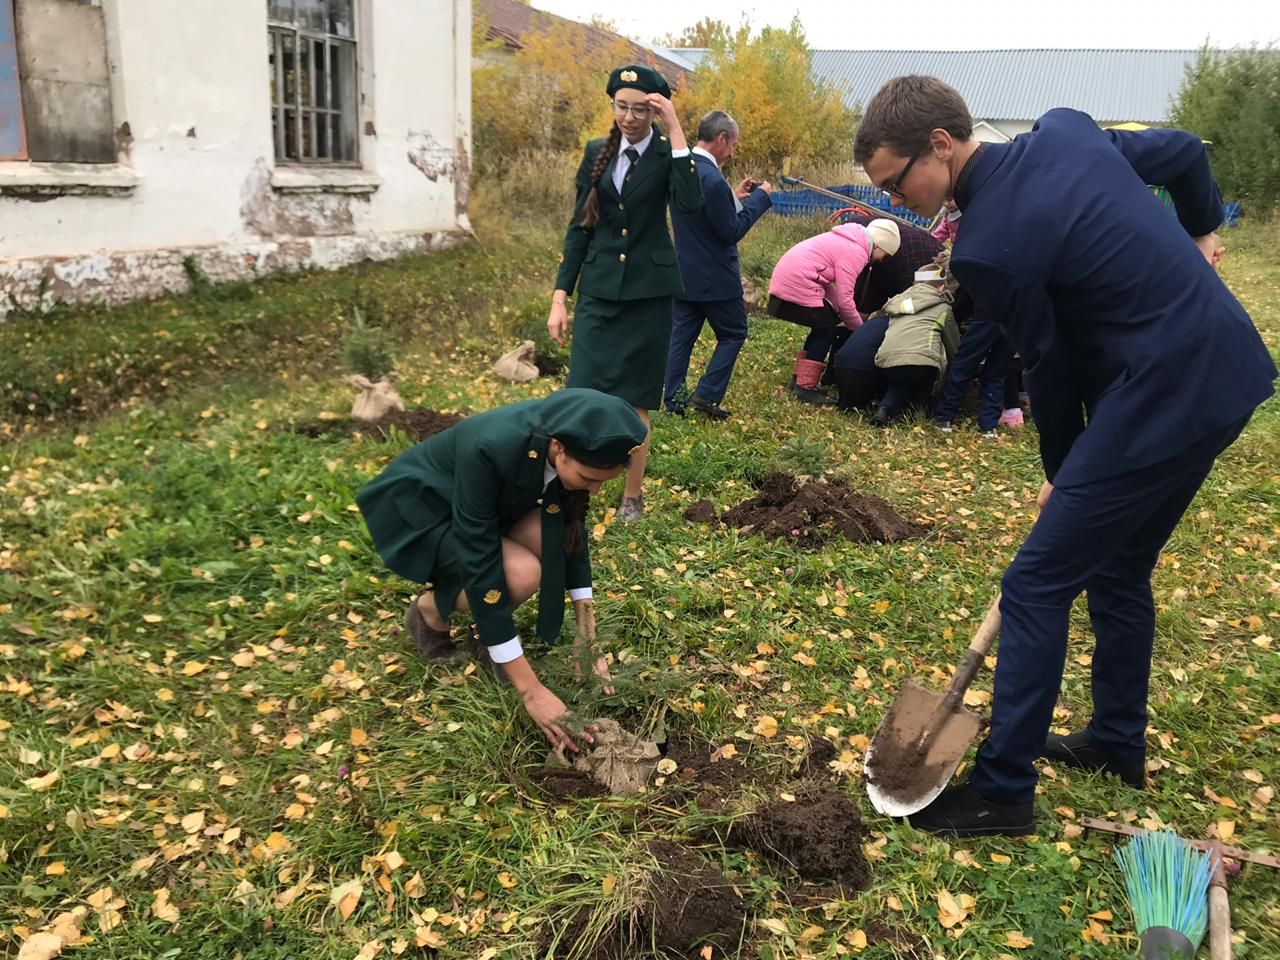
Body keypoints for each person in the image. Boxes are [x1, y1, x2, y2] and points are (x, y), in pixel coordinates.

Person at [854, 75, 1276, 836]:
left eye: (897, 183)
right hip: (1228, 370)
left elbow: (1046, 369)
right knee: (1116, 567)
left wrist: (1065, 471)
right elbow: (1182, 154)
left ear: (940, 146)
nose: (897, 202)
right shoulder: (1067, 130)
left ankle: (1004, 790)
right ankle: (1116, 741)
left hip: (1161, 396)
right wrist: (1202, 230)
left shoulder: (986, 249)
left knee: (1036, 584)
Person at [356, 388, 648, 752]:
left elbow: (571, 534)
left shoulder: (565, 438)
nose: (594, 488)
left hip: (484, 508)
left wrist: (587, 634)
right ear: (558, 448)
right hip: (422, 511)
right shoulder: (492, 447)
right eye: (588, 478)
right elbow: (480, 562)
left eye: (604, 482)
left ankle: (489, 635)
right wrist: (532, 690)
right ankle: (430, 611)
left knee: (550, 537)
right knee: (520, 574)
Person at [548, 64, 703, 522]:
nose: (629, 117)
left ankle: (631, 496)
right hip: (598, 291)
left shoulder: (668, 152)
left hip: (648, 295)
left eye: (641, 109)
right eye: (622, 106)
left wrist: (676, 131)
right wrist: (561, 295)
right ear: (612, 104)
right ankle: (571, 488)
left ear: (655, 111)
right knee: (582, 394)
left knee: (635, 402)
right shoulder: (598, 151)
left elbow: (691, 205)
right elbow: (580, 227)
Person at [662, 110, 773, 421]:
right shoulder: (711, 178)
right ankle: (707, 395)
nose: (733, 151)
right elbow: (729, 232)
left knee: (680, 337)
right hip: (715, 278)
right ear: (722, 138)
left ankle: (673, 401)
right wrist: (759, 199)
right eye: (733, 144)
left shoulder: (682, 170)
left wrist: (733, 196)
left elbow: (704, 217)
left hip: (684, 272)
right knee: (734, 333)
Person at [765, 219, 901, 405]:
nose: (880, 260)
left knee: (822, 325)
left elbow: (831, 288)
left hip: (790, 278)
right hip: (796, 281)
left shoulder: (848, 240)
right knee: (827, 328)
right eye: (883, 255)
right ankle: (805, 387)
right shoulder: (856, 252)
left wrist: (837, 311)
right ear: (877, 245)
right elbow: (846, 300)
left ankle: (799, 380)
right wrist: (861, 332)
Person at [929, 199, 1019, 436]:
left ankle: (944, 417)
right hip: (1014, 316)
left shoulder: (981, 249)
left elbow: (969, 288)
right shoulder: (1017, 244)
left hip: (988, 315)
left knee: (964, 363)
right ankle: (987, 426)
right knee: (998, 369)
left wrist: (953, 314)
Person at [830, 264, 959, 423]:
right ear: (941, 286)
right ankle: (917, 412)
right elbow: (953, 344)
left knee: (900, 380)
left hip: (886, 360)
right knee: (926, 368)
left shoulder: (896, 305)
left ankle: (884, 409)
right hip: (921, 362)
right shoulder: (943, 308)